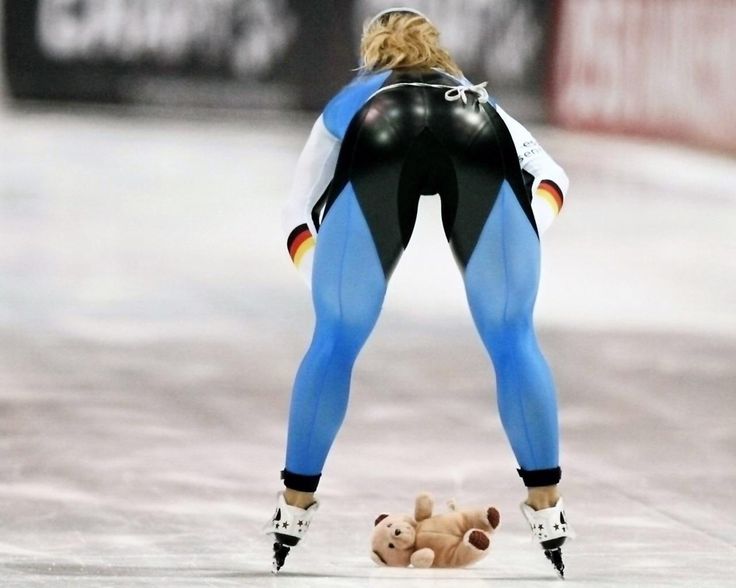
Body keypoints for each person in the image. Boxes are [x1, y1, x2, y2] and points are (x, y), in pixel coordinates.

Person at [266, 7, 572, 577]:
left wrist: (328, 282)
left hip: (383, 128)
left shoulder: (355, 97)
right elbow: (552, 177)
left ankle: (293, 508)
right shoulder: (473, 94)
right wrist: (522, 236)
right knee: (513, 336)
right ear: (437, 49)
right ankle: (548, 510)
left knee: (334, 339)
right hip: (472, 133)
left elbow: (297, 213)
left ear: (371, 53)